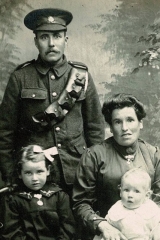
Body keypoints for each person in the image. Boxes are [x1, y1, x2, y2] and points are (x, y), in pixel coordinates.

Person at [0, 8, 105, 195]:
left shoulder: (81, 77)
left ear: (66, 40)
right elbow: (5, 132)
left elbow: (95, 130)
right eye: (44, 37)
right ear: (36, 41)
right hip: (34, 176)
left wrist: (94, 173)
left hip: (77, 174)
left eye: (57, 36)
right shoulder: (20, 78)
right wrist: (11, 176)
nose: (51, 44)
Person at [72, 93, 160, 240]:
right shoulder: (94, 156)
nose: (125, 128)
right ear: (111, 127)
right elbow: (81, 203)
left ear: (140, 123)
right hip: (108, 233)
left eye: (130, 120)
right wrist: (103, 226)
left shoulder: (153, 155)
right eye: (117, 122)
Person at [1, 145, 75, 240]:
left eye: (39, 171)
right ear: (20, 173)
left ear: (47, 170)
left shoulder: (59, 196)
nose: (34, 178)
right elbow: (11, 233)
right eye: (28, 173)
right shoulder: (12, 200)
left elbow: (68, 228)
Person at [94, 168, 160, 240]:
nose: (130, 195)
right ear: (120, 192)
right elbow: (106, 230)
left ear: (147, 195)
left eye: (136, 191)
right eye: (126, 190)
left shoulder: (151, 208)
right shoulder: (116, 209)